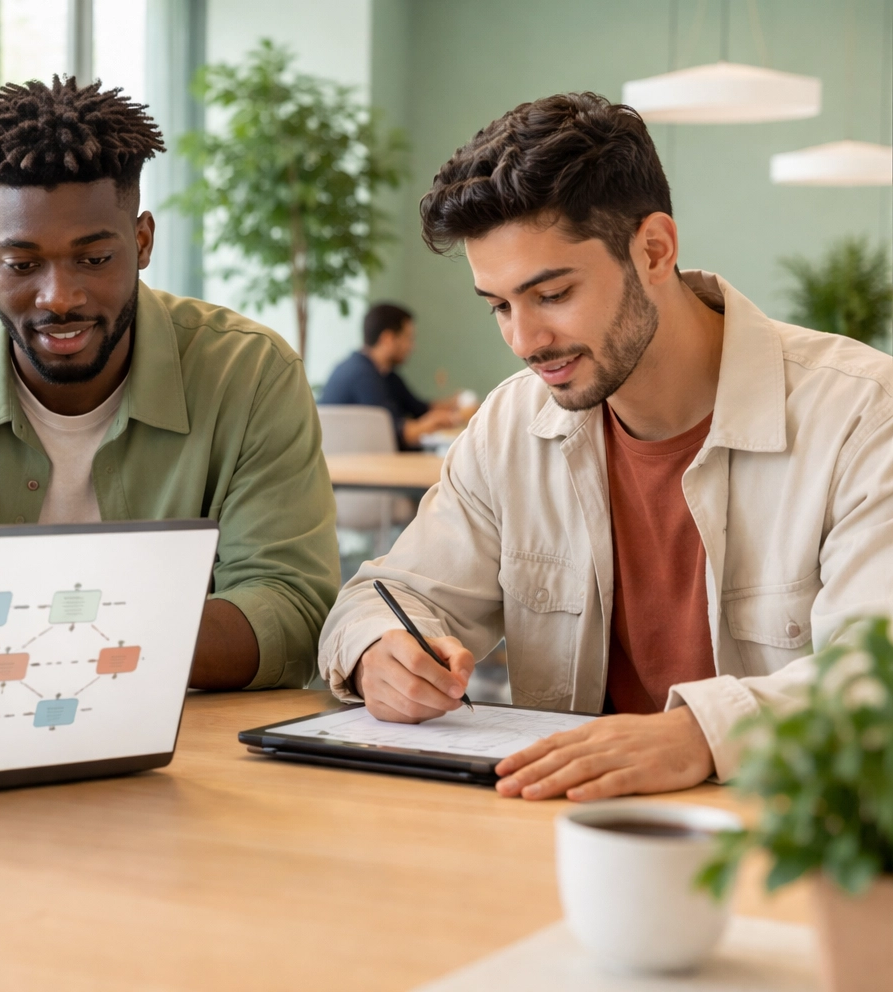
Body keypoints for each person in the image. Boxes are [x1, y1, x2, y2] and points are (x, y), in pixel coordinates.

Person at [318, 92, 893, 800]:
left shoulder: (866, 415)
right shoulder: (508, 427)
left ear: (654, 250)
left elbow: (880, 673)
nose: (524, 342)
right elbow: (387, 594)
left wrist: (700, 736)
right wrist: (379, 651)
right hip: (558, 832)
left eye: (552, 294)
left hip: (782, 840)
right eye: (500, 306)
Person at [0, 77, 339, 691]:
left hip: (182, 749)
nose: (60, 297)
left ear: (141, 242)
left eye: (95, 258)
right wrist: (108, 636)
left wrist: (52, 644)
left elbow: (292, 608)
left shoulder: (251, 373)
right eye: (22, 264)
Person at [320, 301, 460, 449]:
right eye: (408, 338)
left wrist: (454, 406)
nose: (412, 347)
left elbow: (419, 408)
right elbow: (397, 431)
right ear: (387, 338)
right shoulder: (362, 375)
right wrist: (443, 420)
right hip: (355, 466)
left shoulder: (386, 375)